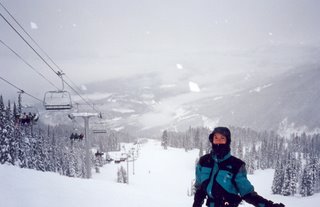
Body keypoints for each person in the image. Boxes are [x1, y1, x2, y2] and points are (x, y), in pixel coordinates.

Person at [193, 127, 285, 207]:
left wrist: (269, 205)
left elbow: (247, 193)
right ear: (212, 140)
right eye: (215, 138)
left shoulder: (236, 165)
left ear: (227, 141)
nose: (218, 141)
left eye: (222, 138)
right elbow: (200, 188)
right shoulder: (204, 161)